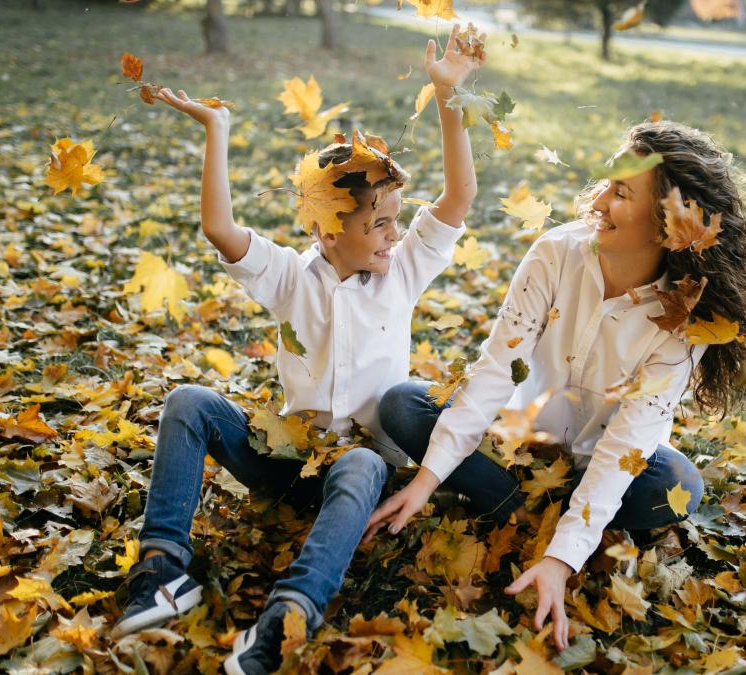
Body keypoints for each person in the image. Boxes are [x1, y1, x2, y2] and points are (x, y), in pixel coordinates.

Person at [110, 25, 485, 675]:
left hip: (356, 476)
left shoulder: (402, 269)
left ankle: (288, 613)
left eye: (395, 220)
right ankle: (163, 569)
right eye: (377, 224)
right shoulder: (291, 275)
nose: (393, 235)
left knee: (365, 466)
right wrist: (216, 131)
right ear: (327, 228)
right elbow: (219, 228)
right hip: (287, 459)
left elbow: (458, 198)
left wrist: (448, 97)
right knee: (189, 402)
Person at [367, 120, 746, 651]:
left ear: (668, 226)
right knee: (404, 405)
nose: (597, 199)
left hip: (603, 462)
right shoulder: (555, 254)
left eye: (621, 192)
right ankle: (527, 507)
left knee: (678, 487)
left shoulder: (685, 318)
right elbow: (494, 372)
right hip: (516, 446)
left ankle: (537, 516)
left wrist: (560, 559)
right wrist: (425, 481)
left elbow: (626, 445)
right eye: (607, 183)